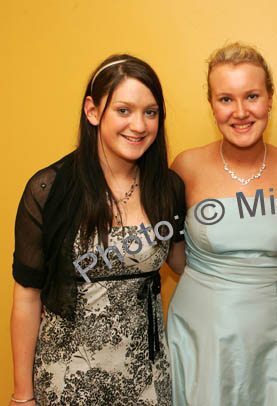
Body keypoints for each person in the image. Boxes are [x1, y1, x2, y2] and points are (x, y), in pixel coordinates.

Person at [10, 55, 186, 406]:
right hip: (67, 381)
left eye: (150, 112)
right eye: (124, 110)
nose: (138, 125)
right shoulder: (49, 189)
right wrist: (22, 396)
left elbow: (187, 264)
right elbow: (27, 298)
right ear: (92, 111)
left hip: (146, 380)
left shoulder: (167, 188)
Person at [166, 42, 277, 406]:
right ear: (211, 104)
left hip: (273, 332)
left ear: (270, 98)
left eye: (252, 96)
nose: (241, 112)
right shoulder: (185, 168)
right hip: (203, 332)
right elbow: (173, 253)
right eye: (226, 99)